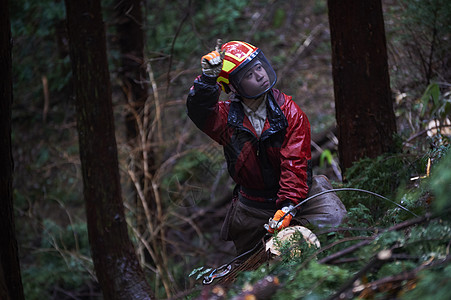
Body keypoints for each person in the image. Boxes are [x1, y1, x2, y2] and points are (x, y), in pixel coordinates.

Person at [186, 40, 346, 256]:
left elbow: (295, 162)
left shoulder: (289, 112)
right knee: (252, 260)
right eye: (249, 75)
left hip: (300, 193)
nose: (260, 75)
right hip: (253, 205)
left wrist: (289, 205)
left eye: (259, 68)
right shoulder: (225, 118)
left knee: (336, 220)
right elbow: (199, 111)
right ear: (233, 87)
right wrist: (207, 80)